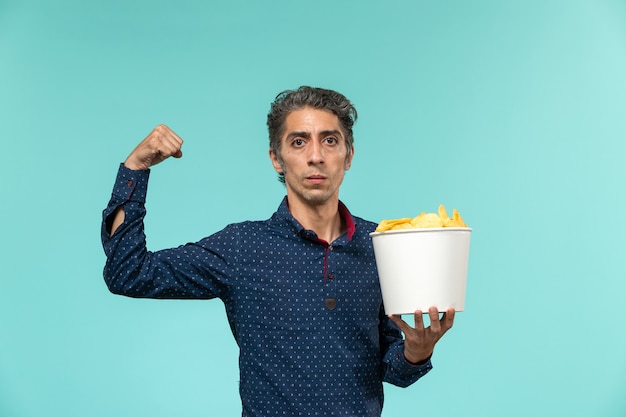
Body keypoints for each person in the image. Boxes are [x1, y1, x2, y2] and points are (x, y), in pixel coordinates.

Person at [101, 86, 455, 417]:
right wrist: (136, 168)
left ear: (348, 155)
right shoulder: (242, 247)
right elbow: (127, 273)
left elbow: (394, 371)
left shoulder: (383, 243)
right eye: (299, 142)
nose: (315, 156)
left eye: (330, 141)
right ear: (276, 158)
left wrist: (418, 349)